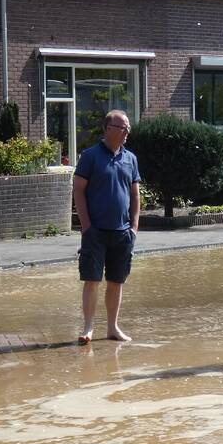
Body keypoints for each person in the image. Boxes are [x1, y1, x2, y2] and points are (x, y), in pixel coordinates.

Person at [73, 110, 140, 345]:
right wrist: (86, 226)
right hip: (96, 231)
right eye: (123, 128)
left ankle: (112, 327)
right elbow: (78, 189)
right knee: (92, 279)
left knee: (116, 281)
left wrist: (134, 227)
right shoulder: (90, 156)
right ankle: (89, 327)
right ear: (108, 128)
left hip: (122, 232)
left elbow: (135, 194)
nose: (127, 132)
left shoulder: (130, 158)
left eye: (128, 128)